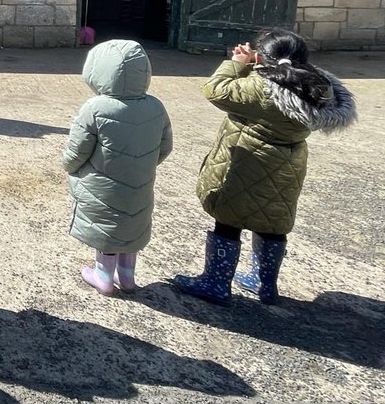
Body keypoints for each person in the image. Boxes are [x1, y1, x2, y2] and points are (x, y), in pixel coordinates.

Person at [173, 29, 356, 305]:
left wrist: (238, 63)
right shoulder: (317, 86)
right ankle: (265, 284)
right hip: (287, 164)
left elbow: (215, 90)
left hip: (247, 162)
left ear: (265, 57)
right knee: (272, 222)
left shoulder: (261, 88)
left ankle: (216, 282)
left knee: (228, 220)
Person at [62, 39, 173, 295]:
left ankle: (103, 277)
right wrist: (143, 166)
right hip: (140, 184)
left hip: (101, 187)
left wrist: (70, 168)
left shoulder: (95, 108)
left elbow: (76, 152)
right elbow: (165, 147)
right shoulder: (156, 106)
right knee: (131, 226)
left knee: (107, 229)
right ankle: (127, 277)